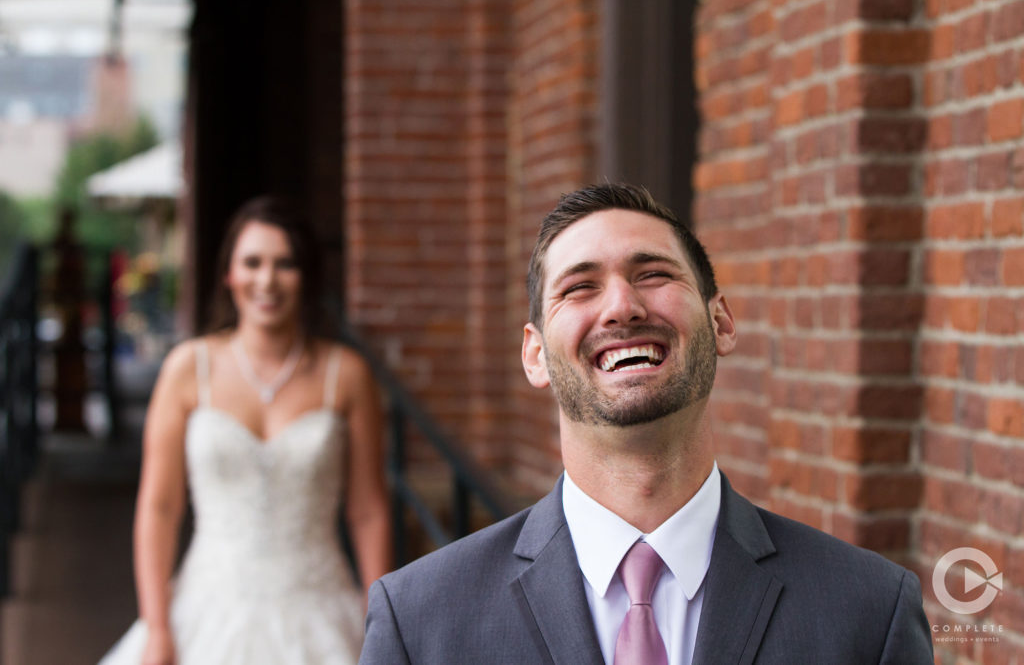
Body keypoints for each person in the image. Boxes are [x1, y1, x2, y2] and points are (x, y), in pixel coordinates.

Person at [359, 183, 933, 664]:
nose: (621, 307)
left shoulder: (870, 611)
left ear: (721, 322)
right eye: (580, 287)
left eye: (653, 274)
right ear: (534, 355)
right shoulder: (419, 621)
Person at [101, 196, 391, 665]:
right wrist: (157, 627)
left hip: (319, 610)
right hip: (207, 608)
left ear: (306, 275)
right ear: (228, 274)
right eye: (252, 263)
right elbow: (160, 506)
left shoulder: (347, 374)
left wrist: (380, 623)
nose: (266, 280)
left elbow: (368, 511)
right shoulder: (187, 368)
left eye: (285, 264)